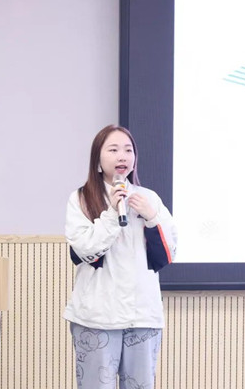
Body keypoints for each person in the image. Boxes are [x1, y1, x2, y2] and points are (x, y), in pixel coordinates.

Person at [64, 125, 177, 389]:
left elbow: (169, 252)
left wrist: (152, 217)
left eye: (128, 150)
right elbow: (84, 249)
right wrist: (113, 214)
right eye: (113, 150)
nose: (122, 156)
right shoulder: (81, 198)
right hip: (97, 317)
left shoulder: (149, 198)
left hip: (142, 316)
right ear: (98, 158)